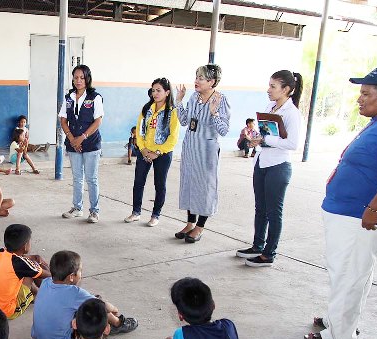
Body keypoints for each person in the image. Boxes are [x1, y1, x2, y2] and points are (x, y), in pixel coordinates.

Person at [305, 67, 377, 339]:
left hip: (361, 218)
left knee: (349, 274)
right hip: (349, 213)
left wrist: (374, 209)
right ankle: (339, 321)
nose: (359, 99)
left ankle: (340, 338)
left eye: (366, 93)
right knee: (352, 273)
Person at [236, 70, 304, 267]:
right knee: (261, 209)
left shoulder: (292, 113)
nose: (269, 90)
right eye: (269, 85)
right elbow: (266, 134)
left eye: (273, 86)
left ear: (287, 90)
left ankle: (269, 253)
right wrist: (256, 140)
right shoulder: (270, 107)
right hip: (262, 162)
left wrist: (265, 139)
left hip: (278, 166)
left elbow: (292, 143)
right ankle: (258, 245)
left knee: (274, 212)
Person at [30, 250, 137, 339]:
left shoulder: (46, 282)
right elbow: (102, 306)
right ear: (71, 276)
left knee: (87, 300)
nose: (82, 274)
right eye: (80, 271)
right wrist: (113, 308)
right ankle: (118, 324)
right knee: (96, 305)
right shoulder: (74, 293)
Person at [174, 64, 231, 243]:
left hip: (206, 151)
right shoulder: (194, 97)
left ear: (212, 82)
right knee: (190, 184)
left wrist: (214, 114)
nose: (196, 81)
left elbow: (224, 130)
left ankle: (200, 226)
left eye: (200, 78)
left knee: (204, 187)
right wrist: (179, 101)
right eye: (196, 77)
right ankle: (190, 223)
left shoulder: (221, 100)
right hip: (190, 149)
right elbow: (184, 121)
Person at [124, 78, 181, 227]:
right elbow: (140, 130)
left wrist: (157, 152)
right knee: (138, 182)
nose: (155, 93)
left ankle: (156, 215)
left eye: (158, 90)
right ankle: (136, 212)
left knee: (159, 184)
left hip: (162, 154)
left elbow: (173, 137)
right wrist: (142, 149)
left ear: (167, 93)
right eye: (153, 90)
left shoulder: (172, 112)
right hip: (145, 152)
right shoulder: (147, 109)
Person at [60, 65, 104, 223]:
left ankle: (94, 211)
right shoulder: (68, 97)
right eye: (76, 77)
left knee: (91, 178)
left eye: (82, 77)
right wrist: (72, 139)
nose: (78, 80)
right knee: (77, 178)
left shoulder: (95, 97)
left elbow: (98, 120)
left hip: (91, 143)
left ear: (87, 79)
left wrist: (82, 137)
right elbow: (63, 120)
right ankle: (77, 208)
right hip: (73, 143)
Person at [0, 224, 49, 319]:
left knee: (27, 268)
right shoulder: (21, 264)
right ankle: (38, 295)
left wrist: (32, 257)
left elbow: (18, 259)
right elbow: (46, 275)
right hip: (6, 311)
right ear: (25, 246)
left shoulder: (0, 252)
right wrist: (51, 269)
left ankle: (35, 294)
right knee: (32, 271)